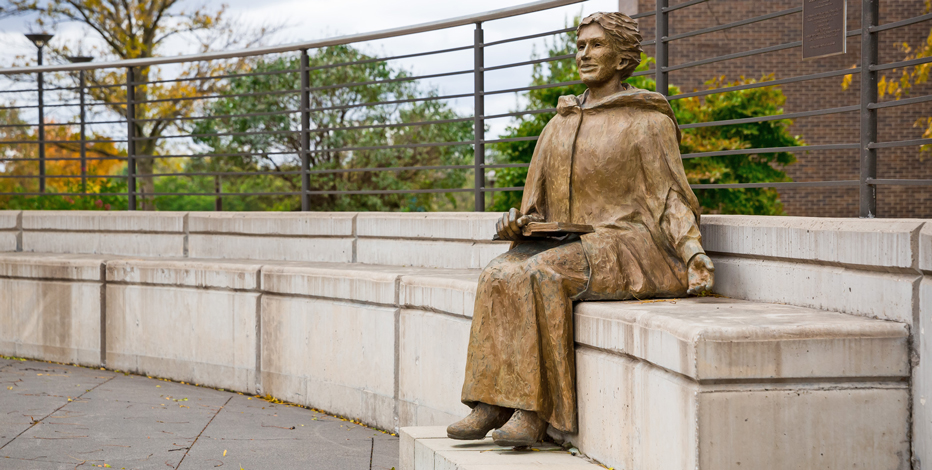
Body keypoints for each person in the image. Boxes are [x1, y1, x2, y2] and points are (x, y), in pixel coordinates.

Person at [446, 11, 715, 447]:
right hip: (574, 241)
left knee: (543, 273)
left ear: (624, 58)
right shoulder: (559, 125)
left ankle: (535, 414)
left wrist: (694, 255)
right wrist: (517, 223)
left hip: (633, 246)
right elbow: (534, 208)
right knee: (498, 273)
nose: (584, 54)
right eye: (580, 46)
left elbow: (671, 200)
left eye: (596, 45)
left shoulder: (648, 121)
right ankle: (491, 403)